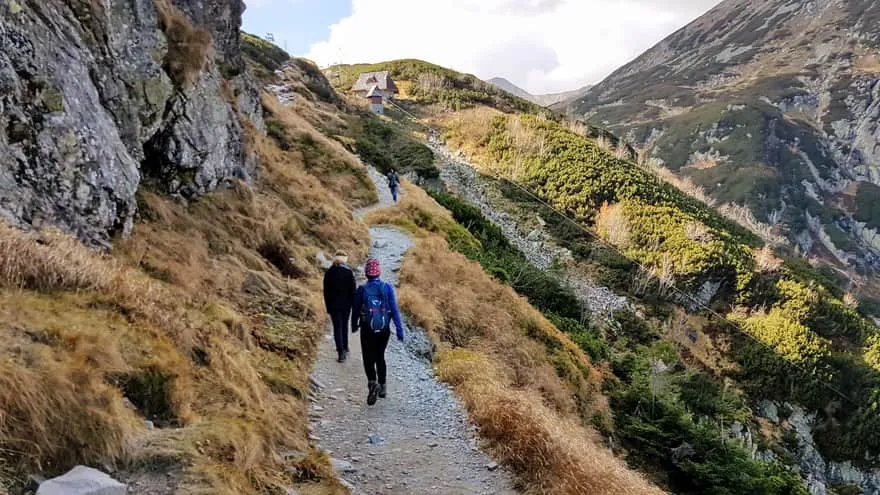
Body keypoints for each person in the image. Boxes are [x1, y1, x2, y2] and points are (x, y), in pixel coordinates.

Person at [352, 258, 404, 405]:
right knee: (380, 356)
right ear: (378, 272)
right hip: (384, 329)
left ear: (367, 274)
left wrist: (354, 326)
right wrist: (400, 330)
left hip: (367, 329)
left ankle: (372, 382)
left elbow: (355, 311)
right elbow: (394, 310)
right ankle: (383, 387)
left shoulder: (362, 290)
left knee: (368, 358)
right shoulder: (387, 287)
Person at [323, 250, 356, 362]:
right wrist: (353, 304)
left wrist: (328, 307)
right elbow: (353, 291)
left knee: (337, 327)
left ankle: (340, 352)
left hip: (333, 305)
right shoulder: (349, 273)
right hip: (346, 305)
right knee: (345, 325)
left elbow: (326, 292)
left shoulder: (329, 273)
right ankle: (346, 347)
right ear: (345, 261)